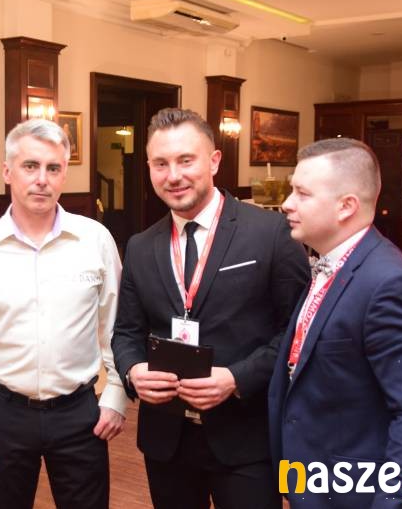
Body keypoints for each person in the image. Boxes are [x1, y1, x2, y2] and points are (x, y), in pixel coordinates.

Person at [111, 107, 310, 509]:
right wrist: (133, 371)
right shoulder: (140, 246)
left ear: (214, 161)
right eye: (161, 164)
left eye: (186, 160)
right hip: (167, 441)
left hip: (246, 437)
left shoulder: (271, 233)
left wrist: (236, 378)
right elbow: (126, 332)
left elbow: (298, 332)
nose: (173, 175)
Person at [0, 118, 128, 509]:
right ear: (7, 171)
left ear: (64, 175)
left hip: (80, 413)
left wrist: (116, 394)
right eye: (30, 166)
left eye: (53, 168)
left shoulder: (94, 240)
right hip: (2, 414)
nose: (42, 179)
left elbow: (116, 324)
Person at [268, 138, 402, 508]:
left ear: (346, 206)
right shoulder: (330, 263)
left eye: (302, 193)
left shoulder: (390, 284)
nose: (287, 204)